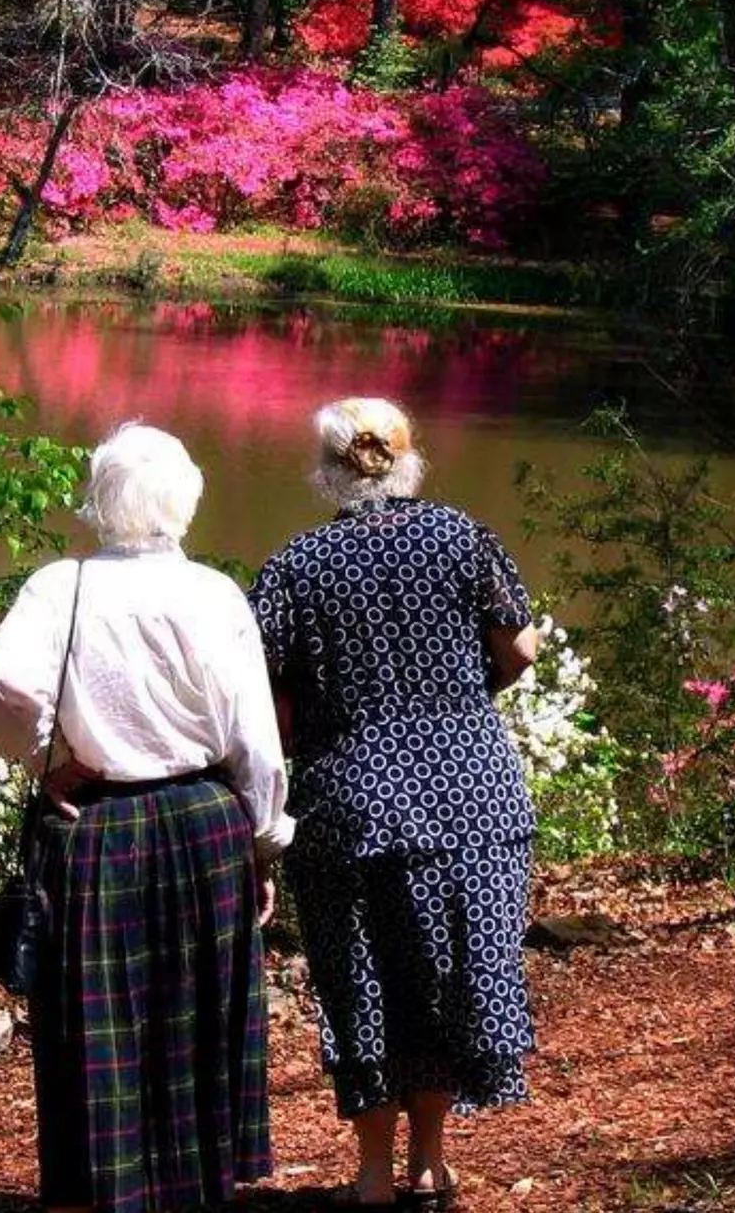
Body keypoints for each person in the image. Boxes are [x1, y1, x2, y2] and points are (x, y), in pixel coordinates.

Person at [0, 422, 293, 1213]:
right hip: (206, 827)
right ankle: (196, 1189)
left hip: (99, 828)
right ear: (186, 502)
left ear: (99, 502)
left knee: (99, 1033)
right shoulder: (215, 594)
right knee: (194, 1033)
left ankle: (100, 1191)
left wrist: (45, 761)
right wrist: (263, 847)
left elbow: (4, 684)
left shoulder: (61, 585)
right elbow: (256, 742)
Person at [248, 397, 541, 1209]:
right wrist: (462, 699)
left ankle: (375, 1175)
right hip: (472, 796)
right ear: (410, 460)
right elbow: (518, 645)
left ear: (329, 469)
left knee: (364, 983)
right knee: (445, 980)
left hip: (352, 800)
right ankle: (429, 1164)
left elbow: (263, 698)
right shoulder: (463, 537)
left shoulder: (294, 566)